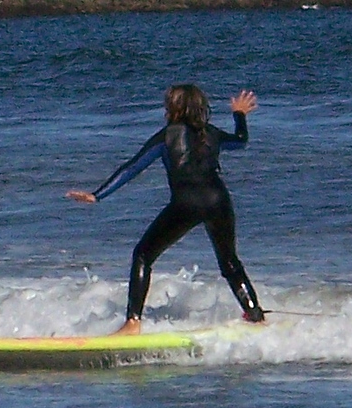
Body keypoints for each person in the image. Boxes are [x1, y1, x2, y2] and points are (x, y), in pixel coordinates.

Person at [66, 84, 265, 335]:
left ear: (173, 108)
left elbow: (133, 166)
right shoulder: (210, 133)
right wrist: (239, 115)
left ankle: (133, 323)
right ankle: (255, 314)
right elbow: (240, 141)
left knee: (143, 255)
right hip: (218, 200)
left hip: (187, 203)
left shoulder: (167, 135)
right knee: (229, 261)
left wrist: (97, 195)